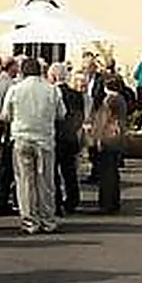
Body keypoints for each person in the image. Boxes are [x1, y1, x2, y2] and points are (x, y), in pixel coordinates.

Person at [5, 55, 65, 234]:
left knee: (24, 182)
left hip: (22, 138)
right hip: (45, 139)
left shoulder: (15, 89)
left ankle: (29, 221)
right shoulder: (52, 90)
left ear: (22, 71)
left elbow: (5, 115)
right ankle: (47, 219)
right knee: (45, 181)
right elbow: (61, 114)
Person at [91, 76, 129, 214]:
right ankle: (114, 202)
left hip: (108, 138)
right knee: (113, 171)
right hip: (118, 137)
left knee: (106, 172)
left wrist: (98, 138)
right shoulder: (121, 99)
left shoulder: (109, 100)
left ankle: (106, 203)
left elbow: (103, 120)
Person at [0, 59, 18, 216]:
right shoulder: (9, 85)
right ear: (11, 67)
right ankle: (1, 201)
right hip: (5, 129)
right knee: (4, 168)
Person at [56, 68, 87, 216]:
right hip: (70, 137)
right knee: (69, 172)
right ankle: (72, 200)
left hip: (55, 137)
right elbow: (80, 116)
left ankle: (56, 201)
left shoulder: (53, 93)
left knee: (54, 173)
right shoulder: (76, 95)